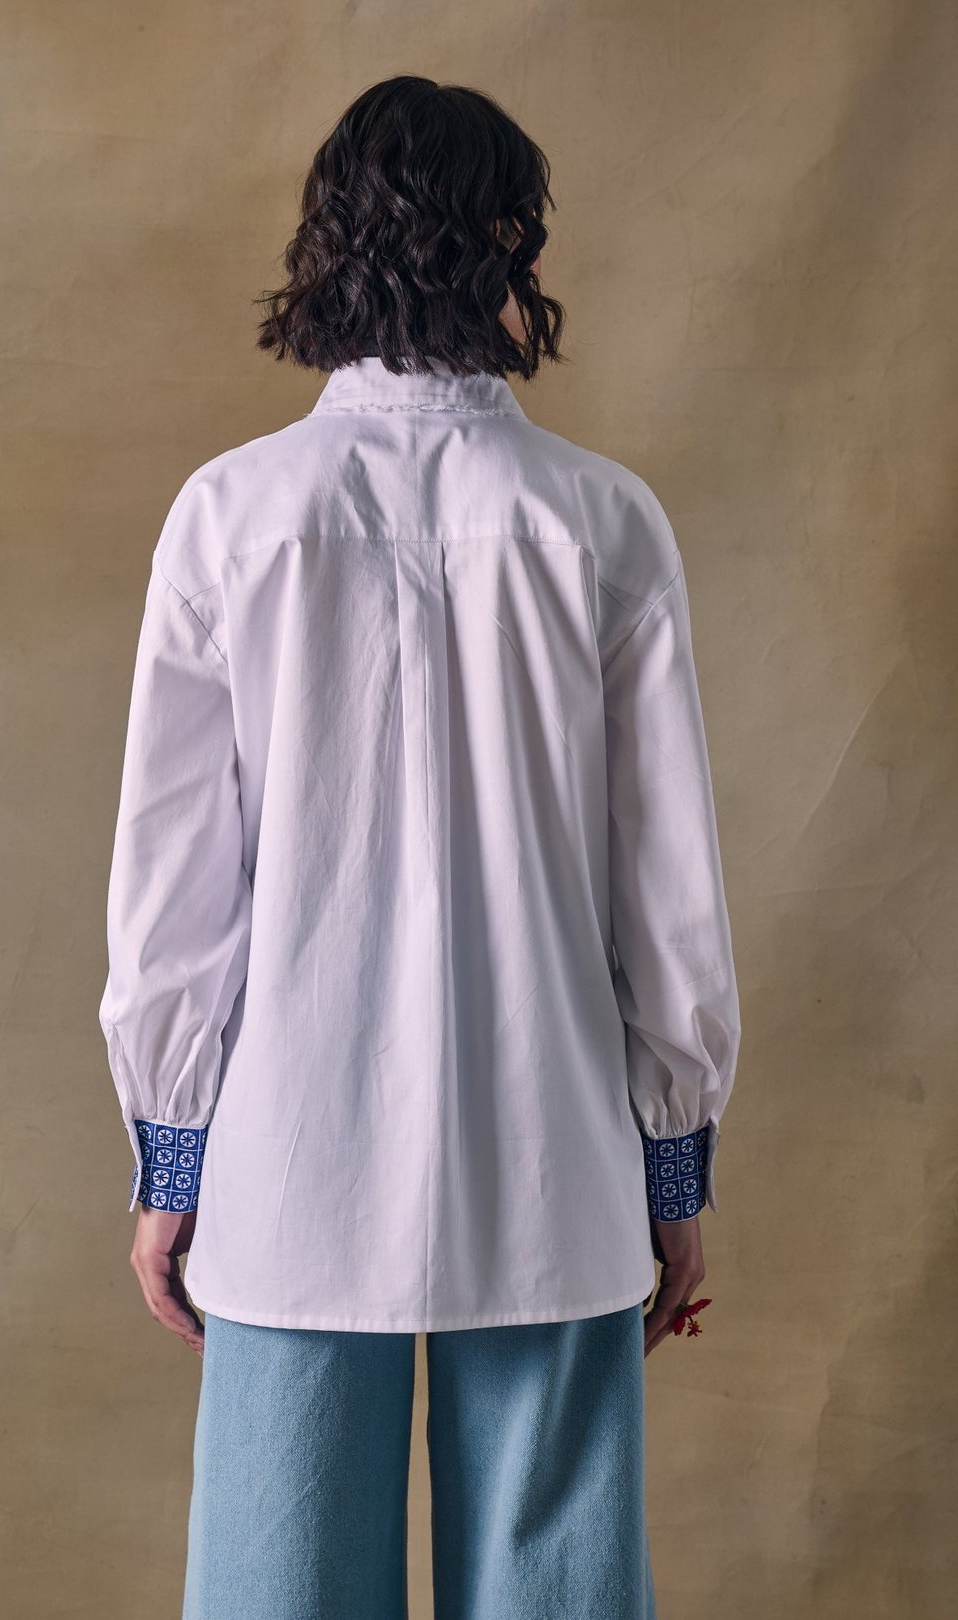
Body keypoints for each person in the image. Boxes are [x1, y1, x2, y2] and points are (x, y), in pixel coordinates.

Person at [98, 73, 740, 1620]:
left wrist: (172, 1158)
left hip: (289, 1167)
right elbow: (668, 900)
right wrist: (673, 1168)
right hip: (553, 1157)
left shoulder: (230, 518)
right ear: (516, 246)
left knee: (279, 1587)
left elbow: (176, 893)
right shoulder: (603, 524)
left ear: (327, 244)